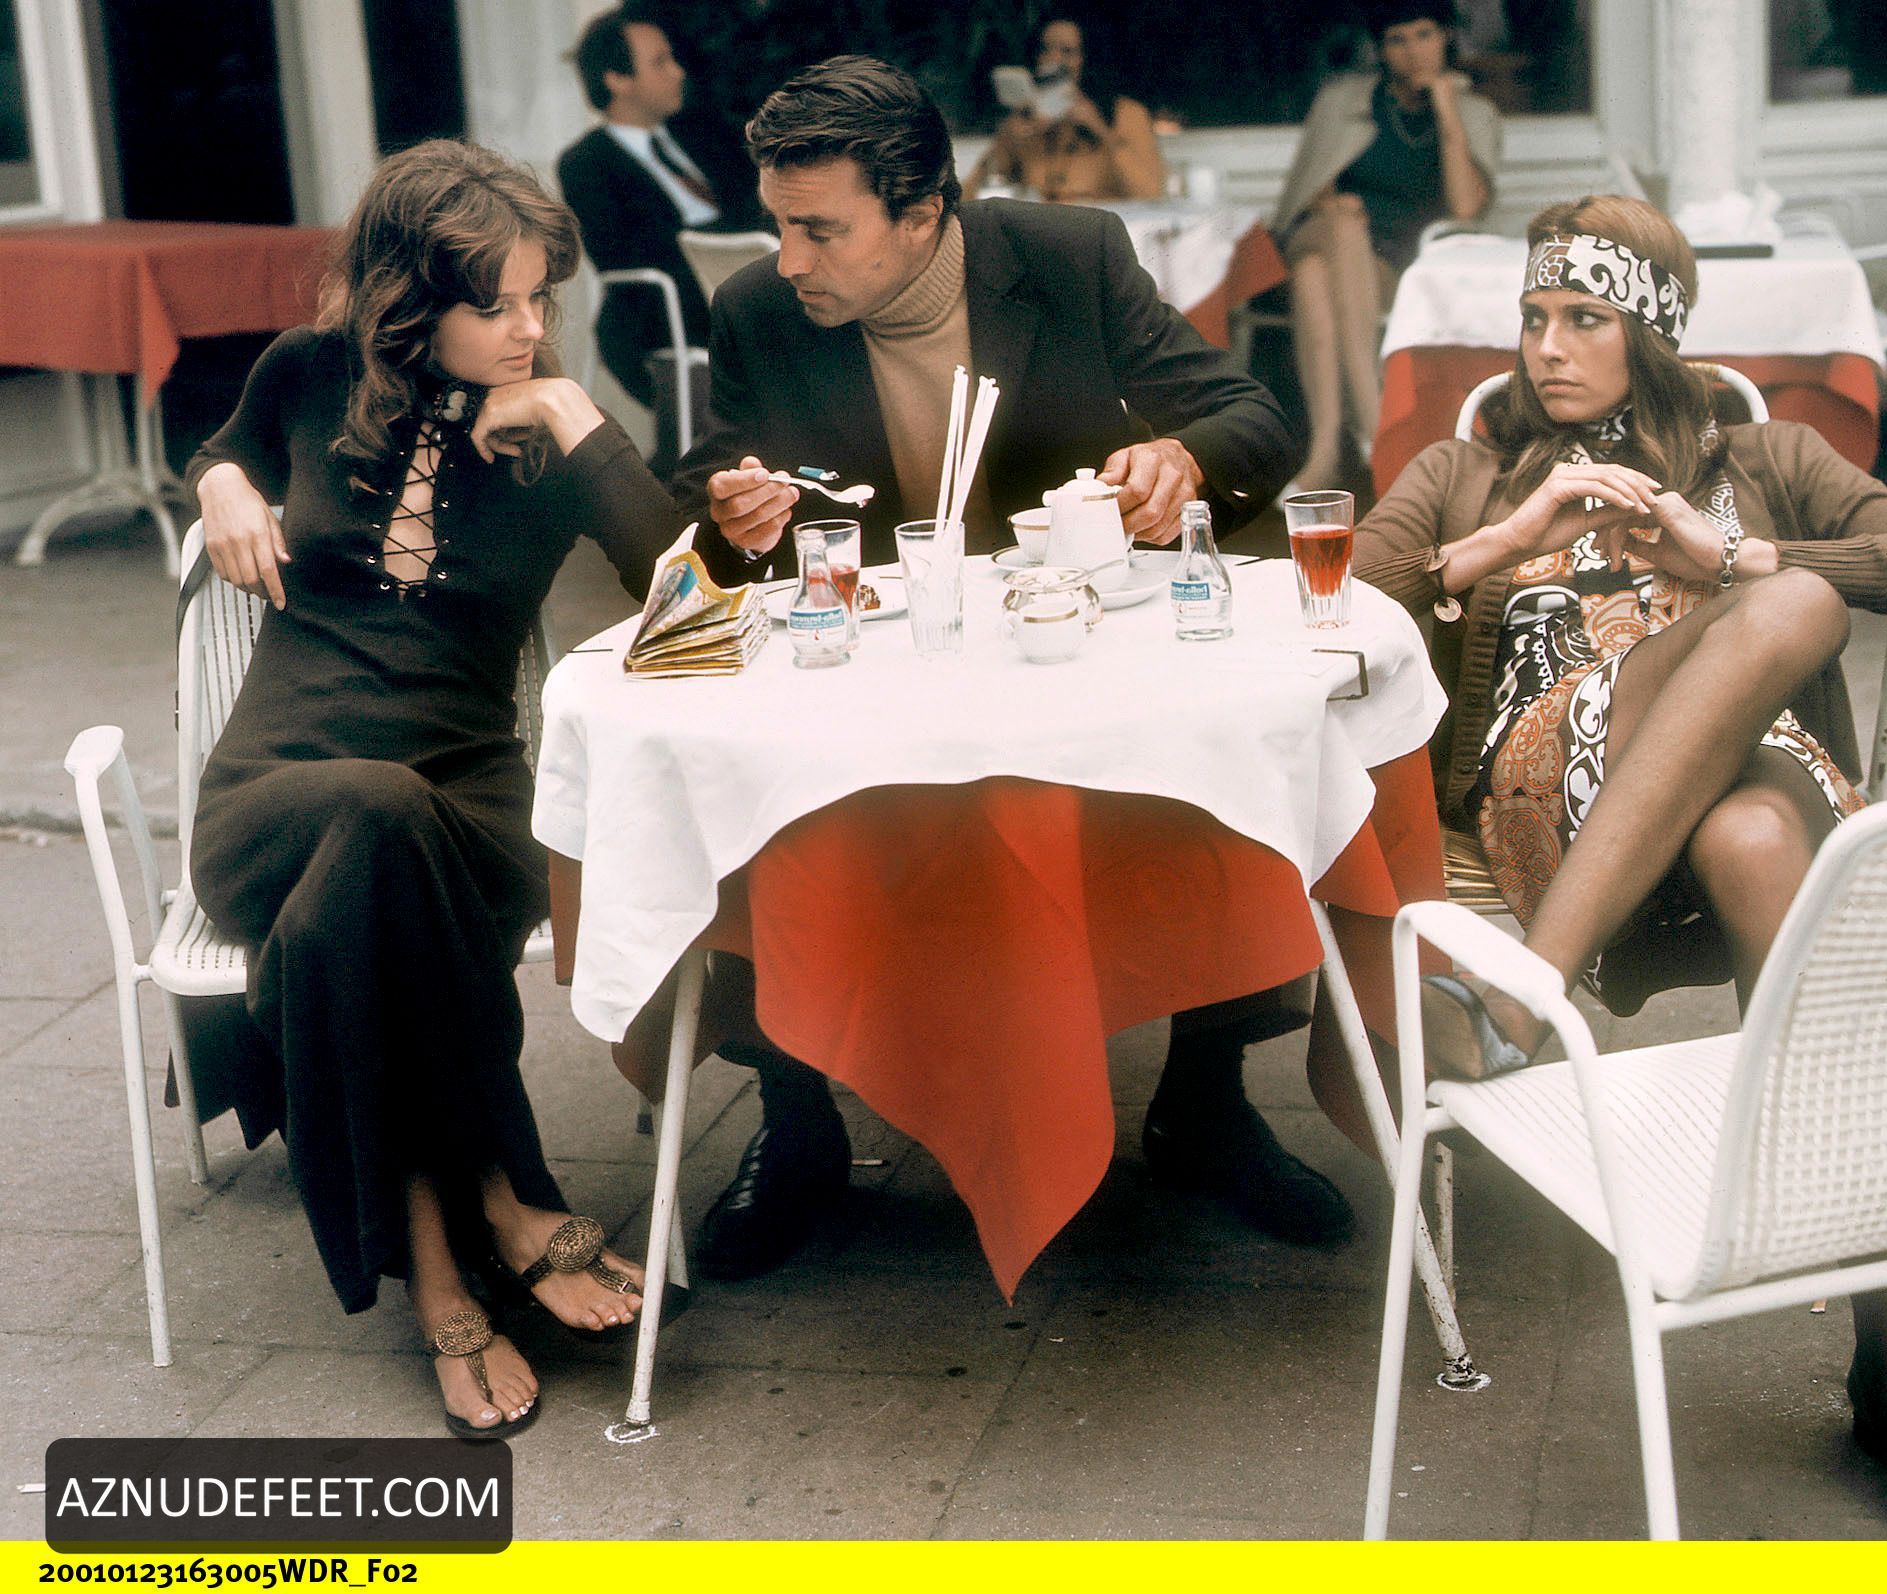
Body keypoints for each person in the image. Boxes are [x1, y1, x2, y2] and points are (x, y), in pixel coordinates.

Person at [1350, 194, 1887, 1539]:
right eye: (1533, 318)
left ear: (1651, 337)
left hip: (1749, 792)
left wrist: (1737, 552)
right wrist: (1501, 541)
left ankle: (1526, 997)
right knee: (1791, 634)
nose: (1546, 347)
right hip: (1547, 803)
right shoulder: (1470, 466)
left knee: (1763, 780)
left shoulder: (1764, 455)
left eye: (1584, 320)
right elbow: (1334, 603)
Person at [669, 55, 1342, 1279]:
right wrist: (733, 514)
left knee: (1220, 747)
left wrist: (1184, 460)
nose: (789, 258)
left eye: (820, 229)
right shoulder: (761, 309)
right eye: (779, 224)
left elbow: (1256, 416)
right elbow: (710, 490)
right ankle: (795, 1119)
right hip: (874, 669)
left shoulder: (1069, 258)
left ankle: (1204, 1101)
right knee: (736, 776)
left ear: (923, 212)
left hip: (1066, 647)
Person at [185, 140, 685, 1439]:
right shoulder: (306, 373)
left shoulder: (550, 433)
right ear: (409, 300)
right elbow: (224, 446)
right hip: (275, 794)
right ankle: (502, 1199)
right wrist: (224, 480)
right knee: (372, 818)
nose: (529, 328)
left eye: (540, 298)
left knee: (379, 857)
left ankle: (438, 1255)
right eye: (495, 303)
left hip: (466, 805)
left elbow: (688, 602)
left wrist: (573, 415)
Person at [1269, 2, 1500, 491]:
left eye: (1424, 35)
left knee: (1313, 277)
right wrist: (1333, 201)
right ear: (1381, 49)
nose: (1413, 51)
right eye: (1398, 40)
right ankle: (1376, 427)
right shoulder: (1344, 101)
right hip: (1325, 231)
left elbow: (1465, 208)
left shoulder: (1476, 112)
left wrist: (1447, 109)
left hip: (1398, 266)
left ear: (1445, 37)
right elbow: (1305, 194)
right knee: (1342, 229)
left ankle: (1326, 451)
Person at [557, 6, 753, 410]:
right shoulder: (587, 164)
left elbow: (752, 208)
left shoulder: (703, 137)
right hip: (669, 313)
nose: (678, 72)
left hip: (748, 285)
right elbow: (621, 258)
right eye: (660, 62)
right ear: (618, 79)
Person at [967, 13, 1165, 202]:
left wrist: (1099, 128)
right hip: (1043, 221)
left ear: (1088, 60)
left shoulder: (1127, 114)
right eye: (1044, 50)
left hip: (1103, 220)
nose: (1053, 60)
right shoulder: (1026, 117)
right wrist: (1005, 143)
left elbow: (1150, 193)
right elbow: (969, 195)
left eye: (1067, 52)